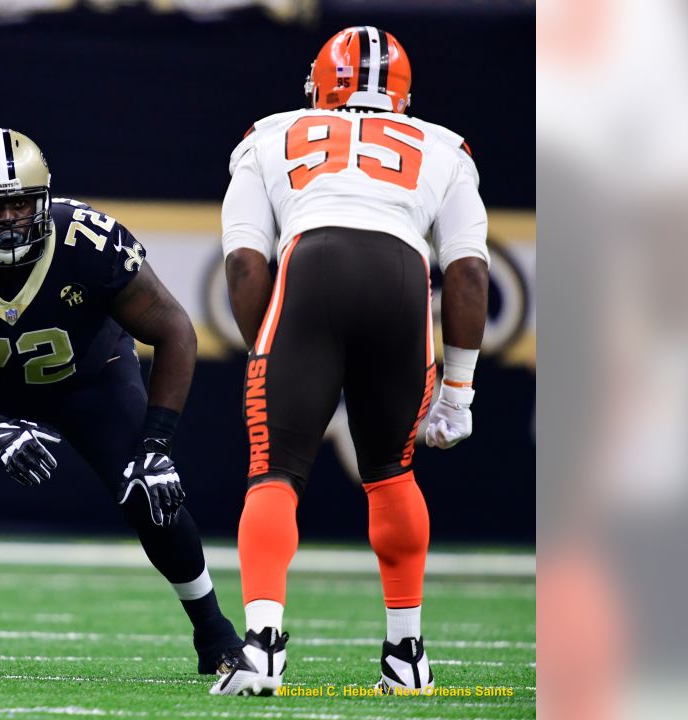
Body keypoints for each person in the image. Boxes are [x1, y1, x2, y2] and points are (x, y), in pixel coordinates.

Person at [0, 128, 241, 674]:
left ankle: (217, 638)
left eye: (19, 203)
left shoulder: (90, 242)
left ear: (45, 198)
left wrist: (157, 443)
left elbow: (176, 330)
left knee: (148, 489)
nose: (9, 217)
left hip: (91, 379)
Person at [209, 27, 491, 696]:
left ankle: (264, 648)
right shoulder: (445, 146)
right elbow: (471, 273)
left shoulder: (269, 133)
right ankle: (407, 654)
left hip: (315, 265)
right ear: (403, 95)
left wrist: (267, 352)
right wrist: (460, 390)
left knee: (274, 471)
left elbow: (246, 260)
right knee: (393, 474)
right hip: (402, 274)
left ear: (319, 86)